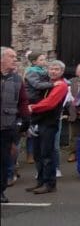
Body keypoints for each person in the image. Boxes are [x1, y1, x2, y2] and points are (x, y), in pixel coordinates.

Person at [25, 60, 68, 194]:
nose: (53, 71)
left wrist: (32, 107)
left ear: (61, 72)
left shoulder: (61, 85)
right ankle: (41, 182)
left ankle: (50, 184)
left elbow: (50, 103)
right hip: (38, 121)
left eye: (56, 69)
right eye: (51, 69)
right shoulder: (47, 84)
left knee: (47, 154)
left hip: (49, 123)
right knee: (37, 153)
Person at [1, 47, 31, 203]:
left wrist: (26, 118)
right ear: (1, 59)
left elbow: (23, 101)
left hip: (8, 126)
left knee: (5, 161)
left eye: (15, 57)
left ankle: (1, 190)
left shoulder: (17, 79)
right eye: (11, 56)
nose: (15, 59)